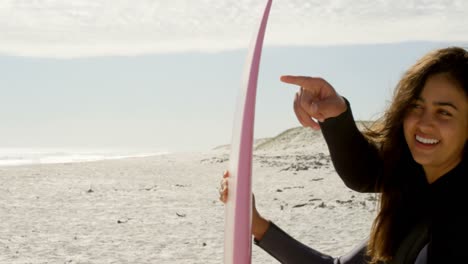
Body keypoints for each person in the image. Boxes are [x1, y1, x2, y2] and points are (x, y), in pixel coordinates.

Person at [219, 46, 468, 263]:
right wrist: (257, 225)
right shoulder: (415, 195)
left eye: (444, 112)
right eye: (416, 106)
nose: (424, 123)